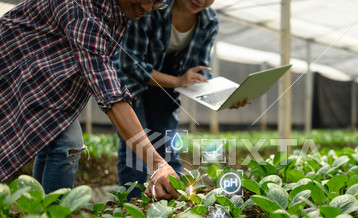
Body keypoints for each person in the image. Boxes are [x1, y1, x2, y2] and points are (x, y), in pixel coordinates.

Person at [0, 0, 179, 200]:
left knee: (55, 135)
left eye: (155, 3)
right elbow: (110, 93)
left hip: (41, 79)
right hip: (11, 69)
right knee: (68, 142)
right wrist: (157, 164)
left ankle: (43, 215)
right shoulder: (82, 10)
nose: (146, 9)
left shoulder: (114, 12)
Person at [114, 0, 247, 198]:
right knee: (136, 147)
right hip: (133, 82)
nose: (201, 1)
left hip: (169, 85)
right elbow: (130, 63)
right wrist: (178, 80)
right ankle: (133, 205)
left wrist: (227, 95)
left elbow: (198, 68)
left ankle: (172, 201)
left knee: (167, 144)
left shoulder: (208, 20)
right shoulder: (152, 7)